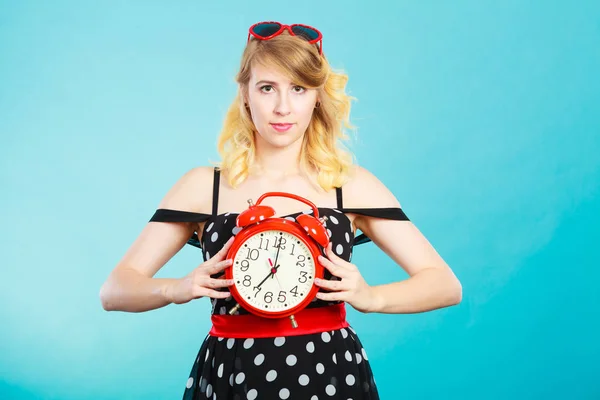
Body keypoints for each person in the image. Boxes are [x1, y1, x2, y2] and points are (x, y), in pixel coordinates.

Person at [99, 21, 462, 400]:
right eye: (267, 87)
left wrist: (373, 298)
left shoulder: (348, 185)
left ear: (318, 96)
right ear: (245, 93)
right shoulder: (203, 186)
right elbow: (115, 290)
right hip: (233, 372)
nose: (282, 107)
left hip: (330, 374)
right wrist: (177, 288)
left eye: (299, 89)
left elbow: (444, 284)